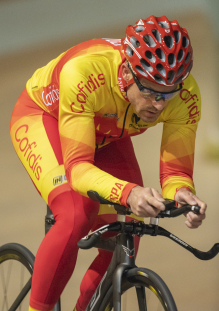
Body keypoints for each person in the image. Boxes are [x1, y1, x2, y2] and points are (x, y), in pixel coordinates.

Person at [10, 15, 207, 311]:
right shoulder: (84, 71)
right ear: (128, 72)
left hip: (105, 133)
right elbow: (77, 170)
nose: (159, 104)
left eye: (169, 93)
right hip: (44, 117)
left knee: (130, 222)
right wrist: (130, 193)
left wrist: (181, 193)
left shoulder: (185, 95)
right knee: (77, 213)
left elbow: (175, 170)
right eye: (151, 91)